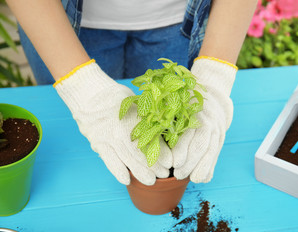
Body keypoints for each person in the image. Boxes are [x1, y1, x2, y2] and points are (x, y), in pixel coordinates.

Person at [5, 0, 257, 186]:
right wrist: (82, 87)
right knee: (71, 145)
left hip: (184, 21)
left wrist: (214, 75)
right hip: (56, 19)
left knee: (176, 135)